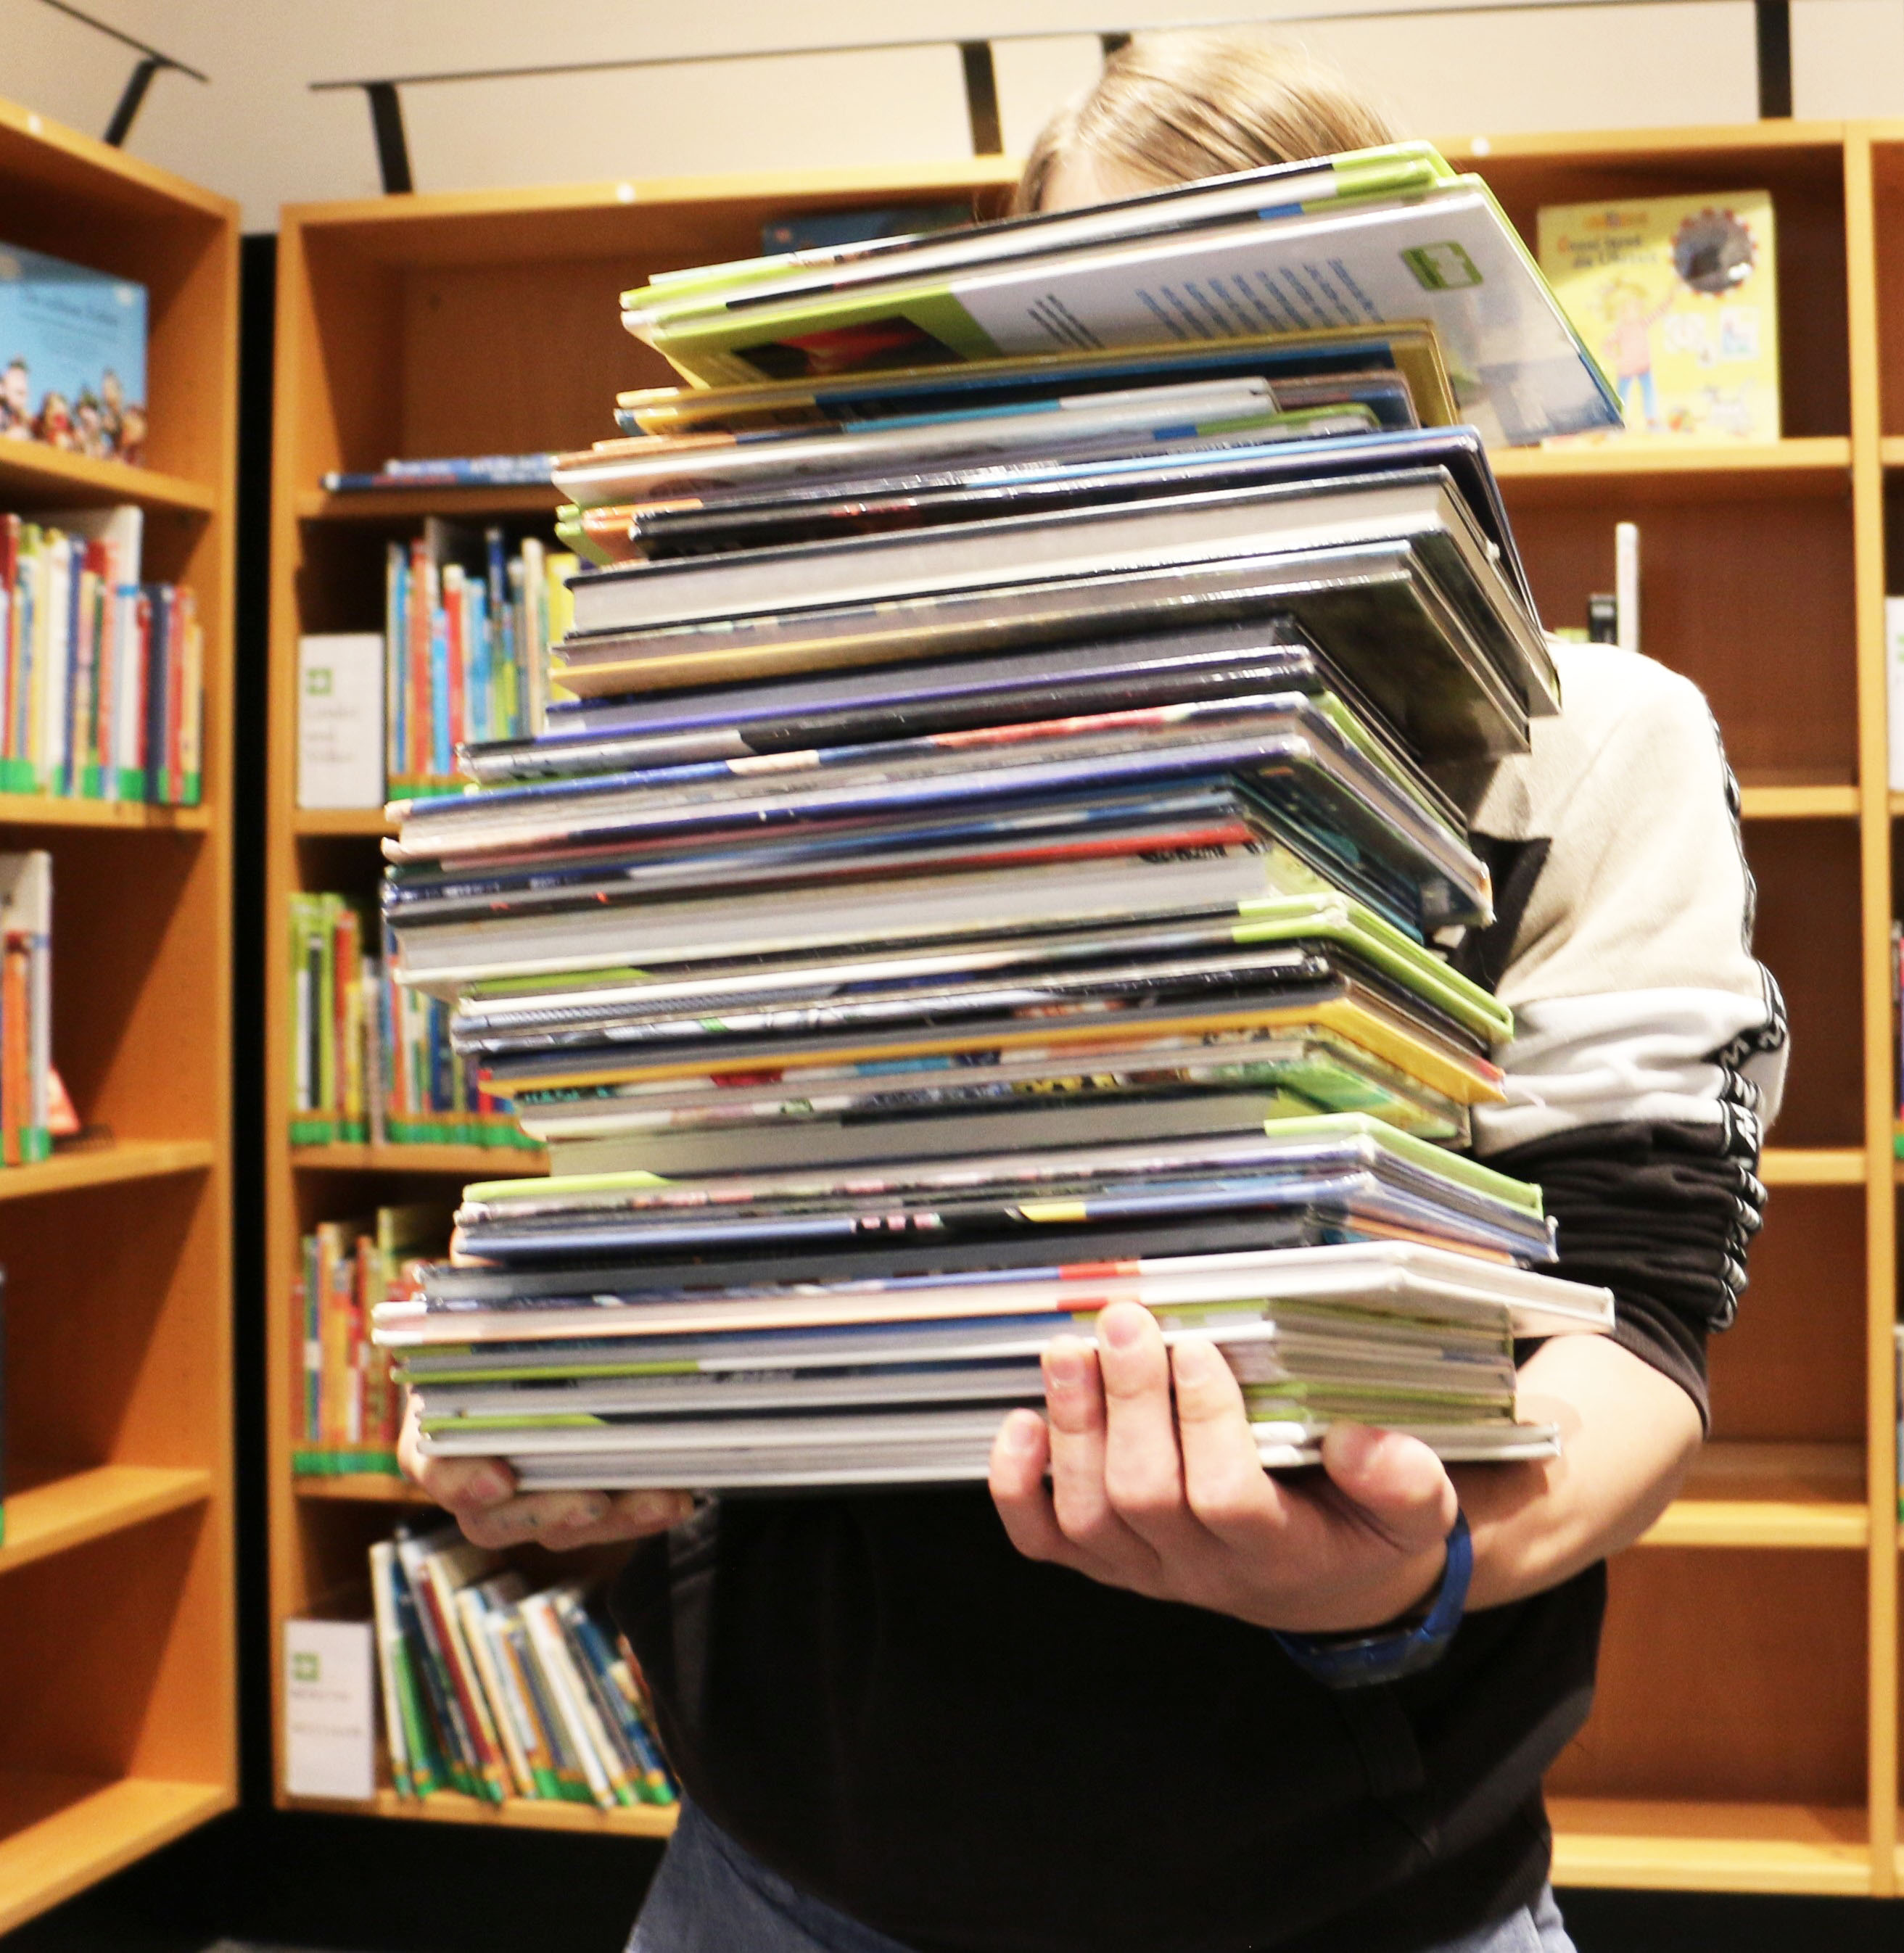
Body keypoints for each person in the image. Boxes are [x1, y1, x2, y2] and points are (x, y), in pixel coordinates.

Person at [402, 30, 1786, 1953]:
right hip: (788, 1865)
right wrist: (568, 1427)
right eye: (1070, 366)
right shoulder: (830, 729)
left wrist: (1393, 1572)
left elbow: (1635, 1319)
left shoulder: (1585, 739)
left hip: (1344, 1894)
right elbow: (674, 1201)